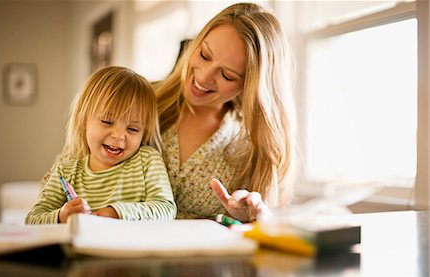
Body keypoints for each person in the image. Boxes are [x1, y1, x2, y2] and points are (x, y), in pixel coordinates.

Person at [156, 2, 297, 222]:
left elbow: (264, 229)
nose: (203, 77)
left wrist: (254, 217)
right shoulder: (140, 100)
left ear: (250, 86)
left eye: (227, 76)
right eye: (204, 55)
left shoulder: (250, 147)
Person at [26, 66, 176, 224]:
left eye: (132, 129)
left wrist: (116, 213)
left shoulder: (148, 161)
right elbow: (33, 220)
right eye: (107, 122)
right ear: (84, 120)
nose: (118, 136)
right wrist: (62, 215)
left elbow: (166, 209)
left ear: (143, 133)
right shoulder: (66, 171)